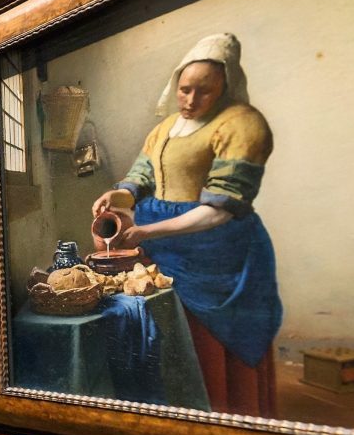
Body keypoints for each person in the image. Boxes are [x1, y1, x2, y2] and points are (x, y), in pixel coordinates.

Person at [91, 33, 282, 415]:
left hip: (217, 251)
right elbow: (141, 179)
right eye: (185, 90)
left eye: (204, 92)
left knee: (213, 343)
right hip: (163, 248)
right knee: (171, 337)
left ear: (225, 87)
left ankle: (228, 416)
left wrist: (147, 231)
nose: (191, 101)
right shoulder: (165, 129)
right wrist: (119, 196)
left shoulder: (242, 124)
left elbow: (222, 209)